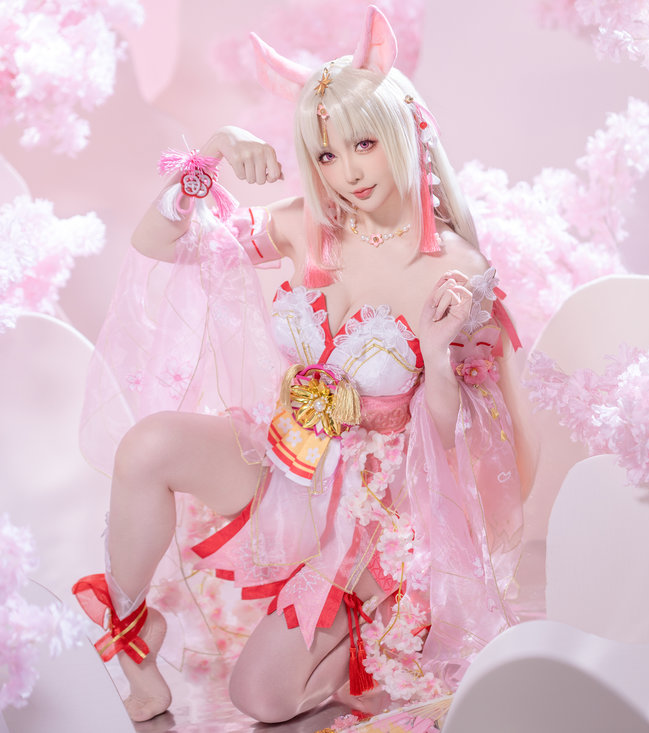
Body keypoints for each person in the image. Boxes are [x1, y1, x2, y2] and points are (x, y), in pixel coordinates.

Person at [72, 6, 534, 725]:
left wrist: (441, 357)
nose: (347, 173)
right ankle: (133, 637)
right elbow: (159, 243)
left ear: (404, 132)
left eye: (363, 145)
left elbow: (452, 441)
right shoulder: (307, 226)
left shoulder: (455, 266)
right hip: (284, 460)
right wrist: (212, 155)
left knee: (260, 698)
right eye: (325, 156)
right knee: (148, 446)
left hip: (373, 510)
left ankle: (364, 631)